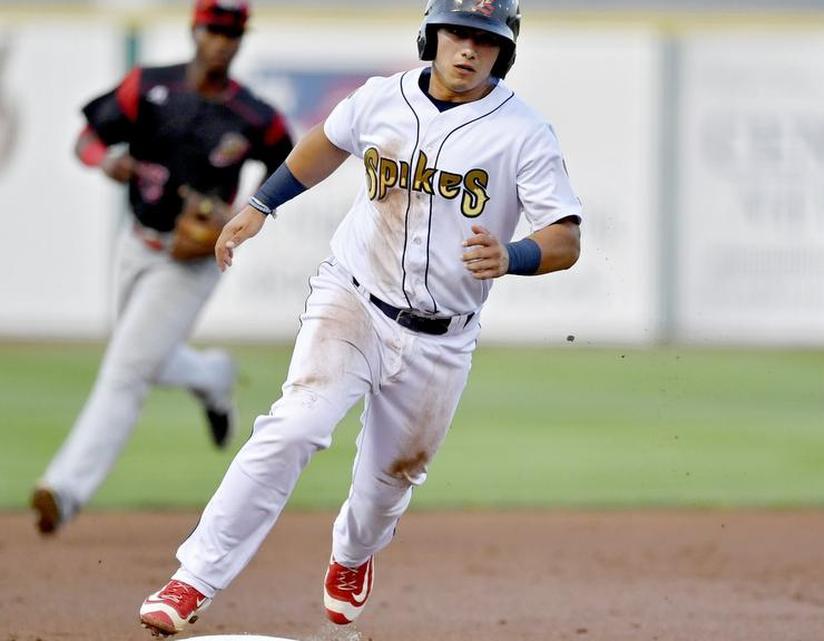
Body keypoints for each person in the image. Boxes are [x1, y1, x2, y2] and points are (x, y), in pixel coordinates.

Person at [137, 0, 583, 635]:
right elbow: (324, 147)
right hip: (353, 297)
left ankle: (351, 556)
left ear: (502, 50)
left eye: (484, 39)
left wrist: (512, 255)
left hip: (442, 337)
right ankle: (192, 580)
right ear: (433, 33)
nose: (467, 49)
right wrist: (262, 204)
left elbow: (565, 241)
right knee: (295, 426)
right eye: (457, 32)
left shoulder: (523, 132)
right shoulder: (383, 99)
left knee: (386, 488)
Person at [31, 0, 293, 536]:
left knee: (126, 370)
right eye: (215, 28)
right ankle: (213, 377)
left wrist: (242, 212)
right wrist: (104, 161)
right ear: (195, 30)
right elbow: (88, 137)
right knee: (142, 356)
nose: (222, 40)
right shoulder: (149, 86)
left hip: (191, 260)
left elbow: (289, 166)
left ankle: (66, 488)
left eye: (233, 31)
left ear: (242, 39)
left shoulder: (254, 115)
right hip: (136, 244)